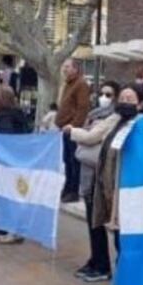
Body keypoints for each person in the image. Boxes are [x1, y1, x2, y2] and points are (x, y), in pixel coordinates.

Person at [95, 83, 143, 285]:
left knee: (135, 252)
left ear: (140, 103)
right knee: (121, 250)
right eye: (123, 98)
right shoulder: (118, 123)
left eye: (131, 99)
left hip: (135, 197)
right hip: (116, 197)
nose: (126, 102)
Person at [63, 80, 120, 283]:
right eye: (102, 93)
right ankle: (95, 259)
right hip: (87, 176)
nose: (104, 98)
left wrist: (74, 132)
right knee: (91, 222)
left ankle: (102, 264)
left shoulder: (115, 118)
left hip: (100, 177)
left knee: (97, 223)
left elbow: (92, 137)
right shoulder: (94, 114)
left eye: (109, 94)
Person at [0, 85, 32, 244]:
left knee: (10, 196)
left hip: (10, 164)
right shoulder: (16, 114)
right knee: (7, 195)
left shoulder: (6, 117)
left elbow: (6, 140)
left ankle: (14, 231)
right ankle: (5, 226)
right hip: (15, 162)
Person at [56, 58, 91, 203]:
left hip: (72, 130)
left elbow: (83, 108)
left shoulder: (81, 84)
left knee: (73, 160)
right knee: (67, 160)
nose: (65, 69)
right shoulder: (68, 84)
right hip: (64, 129)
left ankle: (73, 190)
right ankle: (68, 187)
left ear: (76, 69)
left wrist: (74, 126)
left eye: (68, 66)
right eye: (64, 66)